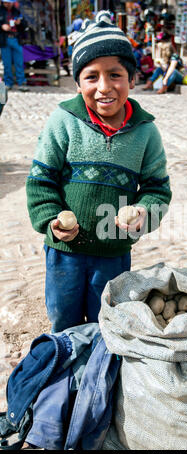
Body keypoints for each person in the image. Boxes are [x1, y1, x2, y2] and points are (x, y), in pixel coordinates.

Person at [25, 11, 172, 333]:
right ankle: (65, 368)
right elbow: (40, 181)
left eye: (115, 75)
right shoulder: (63, 122)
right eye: (91, 77)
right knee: (63, 320)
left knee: (107, 321)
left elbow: (157, 189)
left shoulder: (146, 133)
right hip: (66, 253)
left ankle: (99, 376)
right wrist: (52, 219)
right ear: (77, 83)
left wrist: (143, 213)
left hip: (113, 252)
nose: (104, 87)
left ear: (132, 79)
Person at [0, 0, 28, 91]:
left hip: (16, 39)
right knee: (7, 63)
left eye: (8, 2)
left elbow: (25, 25)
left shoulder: (17, 11)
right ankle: (8, 83)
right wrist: (1, 26)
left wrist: (20, 23)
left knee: (19, 62)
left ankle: (21, 83)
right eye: (5, 2)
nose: (6, 4)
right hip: (4, 40)